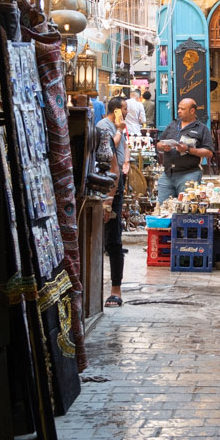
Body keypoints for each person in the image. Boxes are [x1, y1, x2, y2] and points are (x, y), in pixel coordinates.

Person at [95, 96, 128, 307]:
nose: (126, 112)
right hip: (106, 183)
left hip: (116, 182)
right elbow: (109, 154)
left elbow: (122, 152)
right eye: (124, 108)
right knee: (109, 238)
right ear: (116, 110)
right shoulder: (104, 127)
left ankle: (116, 289)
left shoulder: (118, 127)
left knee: (114, 237)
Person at [154, 97, 215, 202]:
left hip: (188, 174)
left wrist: (188, 149)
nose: (178, 111)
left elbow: (209, 152)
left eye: (182, 109)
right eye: (178, 108)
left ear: (192, 111)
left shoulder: (201, 128)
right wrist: (163, 146)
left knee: (186, 208)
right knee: (162, 206)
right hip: (168, 173)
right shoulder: (173, 124)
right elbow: (159, 143)